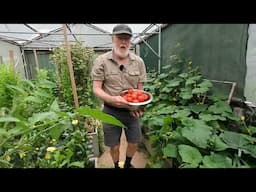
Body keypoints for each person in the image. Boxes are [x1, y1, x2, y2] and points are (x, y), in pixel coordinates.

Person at [91, 24, 147, 168]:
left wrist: (139, 106)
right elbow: (96, 89)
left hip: (130, 111)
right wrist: (111, 99)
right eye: (120, 38)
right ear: (113, 39)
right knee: (114, 146)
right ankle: (117, 165)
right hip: (110, 111)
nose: (123, 42)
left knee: (134, 142)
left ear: (130, 40)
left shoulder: (138, 62)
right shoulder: (101, 61)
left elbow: (140, 90)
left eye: (126, 38)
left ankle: (128, 164)